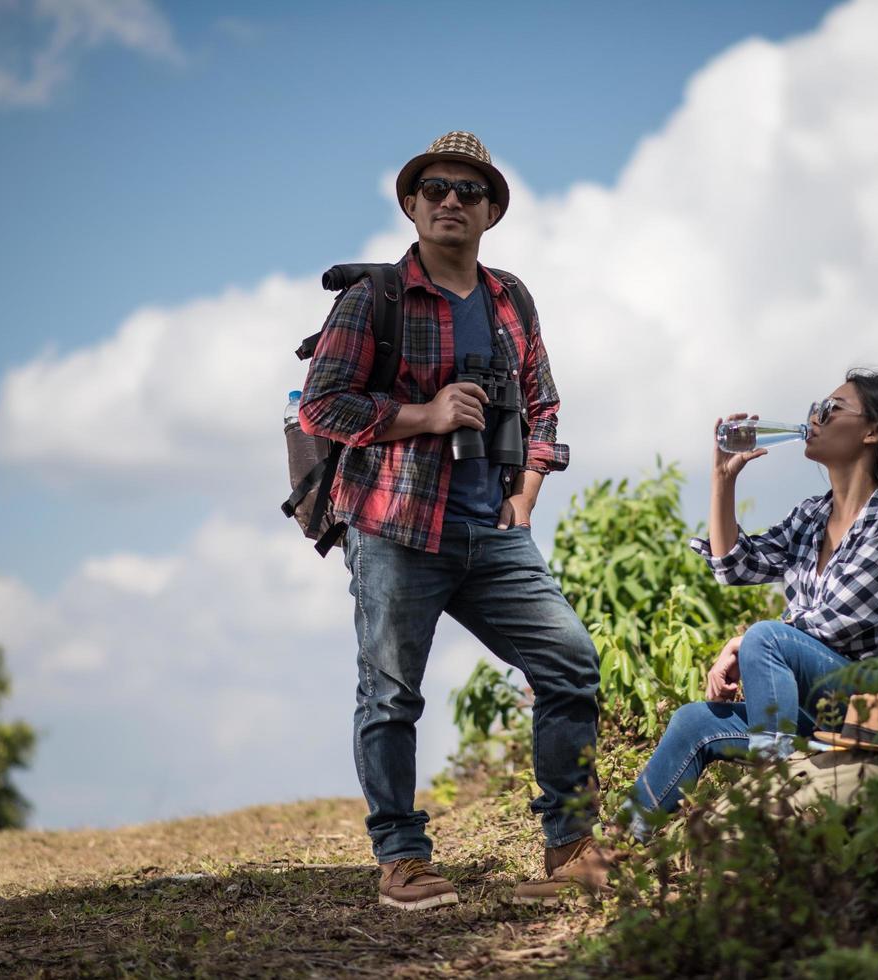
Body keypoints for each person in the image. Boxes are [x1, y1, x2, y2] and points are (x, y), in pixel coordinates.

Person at [299, 132, 604, 909]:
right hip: (397, 528)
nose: (449, 201)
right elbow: (321, 406)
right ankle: (401, 857)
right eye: (434, 188)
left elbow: (542, 405)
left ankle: (567, 843)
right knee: (391, 695)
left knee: (569, 663)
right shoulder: (373, 299)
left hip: (493, 531)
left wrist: (526, 496)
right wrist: (423, 414)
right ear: (410, 203)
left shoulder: (510, 299)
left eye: (468, 192)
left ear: (489, 211)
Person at [622, 369, 878, 839]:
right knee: (694, 721)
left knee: (766, 636)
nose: (814, 417)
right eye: (817, 407)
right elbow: (735, 566)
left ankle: (771, 784)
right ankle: (621, 845)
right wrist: (722, 481)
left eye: (831, 410)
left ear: (872, 431)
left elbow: (836, 621)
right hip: (832, 702)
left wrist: (743, 642)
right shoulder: (812, 516)